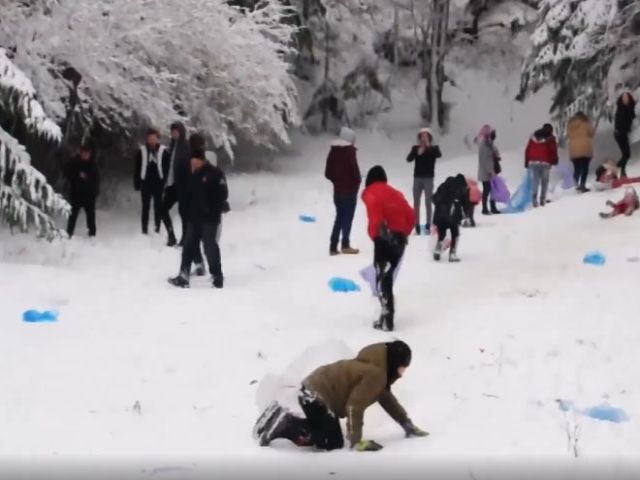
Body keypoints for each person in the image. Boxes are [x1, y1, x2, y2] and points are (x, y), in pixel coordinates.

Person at [254, 341, 428, 451]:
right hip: (318, 397)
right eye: (403, 367)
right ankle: (287, 424)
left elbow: (388, 400)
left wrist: (407, 423)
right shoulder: (376, 375)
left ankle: (279, 414)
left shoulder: (375, 369)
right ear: (395, 363)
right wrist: (356, 441)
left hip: (313, 389)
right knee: (331, 443)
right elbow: (355, 405)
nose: (403, 372)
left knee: (327, 434)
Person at [361, 166, 414, 332]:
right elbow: (411, 215)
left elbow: (375, 216)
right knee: (387, 278)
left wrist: (376, 234)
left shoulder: (370, 192)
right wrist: (403, 234)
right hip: (399, 240)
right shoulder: (396, 193)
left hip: (384, 238)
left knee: (382, 277)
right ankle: (385, 317)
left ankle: (387, 318)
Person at [168, 149, 228, 289]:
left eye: (195, 160)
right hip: (194, 217)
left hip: (210, 218)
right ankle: (183, 276)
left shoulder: (215, 173)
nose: (192, 163)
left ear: (202, 160)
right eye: (191, 160)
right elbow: (190, 195)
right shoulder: (194, 175)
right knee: (188, 246)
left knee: (209, 246)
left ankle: (217, 276)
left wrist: (211, 207)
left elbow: (223, 194)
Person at [324, 127, 361, 256]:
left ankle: (333, 246)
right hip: (350, 190)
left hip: (337, 191)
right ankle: (345, 244)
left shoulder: (333, 152)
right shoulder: (349, 152)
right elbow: (354, 171)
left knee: (339, 217)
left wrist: (337, 180)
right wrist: (356, 181)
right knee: (348, 218)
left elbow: (327, 173)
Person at [134, 128, 169, 234]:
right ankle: (144, 230)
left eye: (154, 138)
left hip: (158, 182)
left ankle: (157, 228)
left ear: (157, 139)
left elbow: (167, 167)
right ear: (147, 139)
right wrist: (137, 182)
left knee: (158, 206)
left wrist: (165, 181)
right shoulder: (142, 151)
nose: (152, 141)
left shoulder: (163, 151)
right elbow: (137, 167)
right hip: (146, 182)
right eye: (150, 139)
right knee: (145, 207)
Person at [406, 127, 442, 234]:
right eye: (422, 136)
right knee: (416, 202)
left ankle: (428, 224)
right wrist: (418, 152)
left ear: (430, 137)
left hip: (429, 178)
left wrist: (429, 147)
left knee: (428, 202)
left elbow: (439, 155)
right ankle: (416, 225)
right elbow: (408, 159)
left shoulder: (434, 148)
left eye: (426, 136)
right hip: (417, 178)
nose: (423, 138)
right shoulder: (415, 148)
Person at [161, 122, 190, 246]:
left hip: (183, 185)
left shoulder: (187, 146)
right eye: (172, 132)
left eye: (176, 131)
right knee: (162, 209)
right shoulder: (171, 146)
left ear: (181, 132)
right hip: (171, 185)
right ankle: (171, 235)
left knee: (183, 213)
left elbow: (190, 166)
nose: (174, 134)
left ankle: (185, 238)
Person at [432, 174, 470, 262]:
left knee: (441, 234)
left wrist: (440, 205)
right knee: (455, 234)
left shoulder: (443, 185)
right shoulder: (462, 188)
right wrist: (467, 215)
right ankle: (452, 254)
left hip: (439, 214)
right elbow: (466, 204)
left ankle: (437, 250)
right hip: (453, 215)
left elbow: (434, 198)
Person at [65, 143, 99, 238]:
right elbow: (68, 174)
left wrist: (94, 191)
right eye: (84, 153)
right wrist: (77, 176)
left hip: (89, 195)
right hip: (76, 194)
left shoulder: (93, 165)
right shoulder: (74, 162)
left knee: (91, 217)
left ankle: (92, 235)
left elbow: (96, 180)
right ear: (81, 153)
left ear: (90, 154)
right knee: (73, 216)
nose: (85, 155)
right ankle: (69, 234)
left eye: (87, 153)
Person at [525, 123, 558, 207]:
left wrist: (526, 161)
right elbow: (553, 150)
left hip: (533, 162)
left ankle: (534, 199)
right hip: (545, 162)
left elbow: (528, 149)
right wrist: (554, 160)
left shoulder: (533, 137)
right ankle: (542, 199)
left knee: (535, 181)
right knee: (544, 181)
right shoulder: (550, 138)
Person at [566, 112, 594, 193]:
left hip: (573, 149)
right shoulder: (586, 122)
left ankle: (575, 179)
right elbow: (591, 133)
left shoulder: (570, 124)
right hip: (585, 147)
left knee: (577, 167)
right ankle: (582, 184)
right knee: (585, 168)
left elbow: (568, 135)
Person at [476, 124, 500, 215]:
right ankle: (485, 208)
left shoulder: (489, 145)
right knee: (487, 189)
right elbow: (485, 160)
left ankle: (492, 207)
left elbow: (493, 153)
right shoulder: (484, 146)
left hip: (490, 171)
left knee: (492, 189)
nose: (494, 136)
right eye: (492, 134)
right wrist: (491, 171)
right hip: (486, 172)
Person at [614, 92, 636, 178]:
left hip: (624, 133)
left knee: (626, 154)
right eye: (624, 98)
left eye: (627, 97)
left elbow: (633, 119)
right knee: (626, 154)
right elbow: (620, 122)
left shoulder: (630, 108)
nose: (625, 99)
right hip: (619, 133)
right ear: (621, 99)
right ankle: (620, 171)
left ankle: (619, 170)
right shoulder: (621, 108)